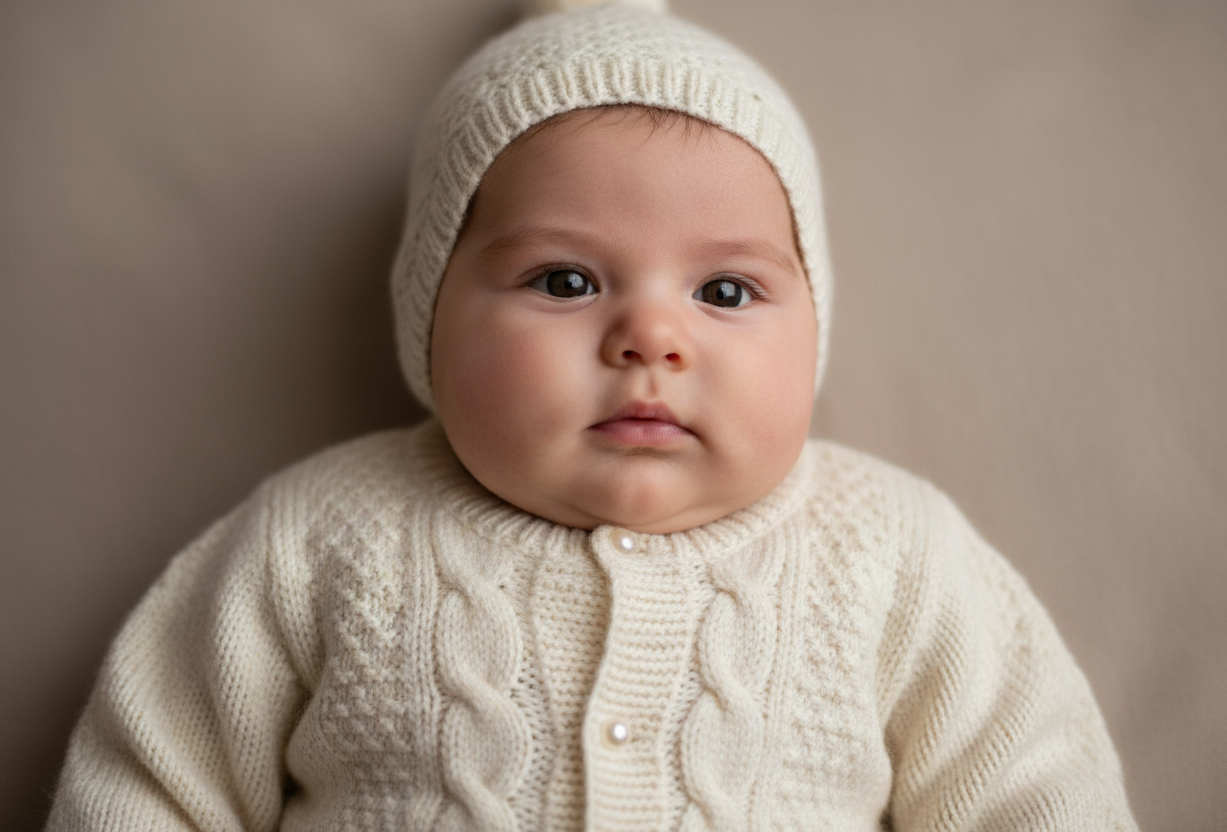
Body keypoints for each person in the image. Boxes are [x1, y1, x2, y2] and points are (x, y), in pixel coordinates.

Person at [45, 1, 1139, 829]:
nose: (651, 339)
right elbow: (147, 781)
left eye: (725, 292)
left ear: (814, 329)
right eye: (565, 281)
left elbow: (1041, 791)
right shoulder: (318, 532)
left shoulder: (896, 550)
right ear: (428, 313)